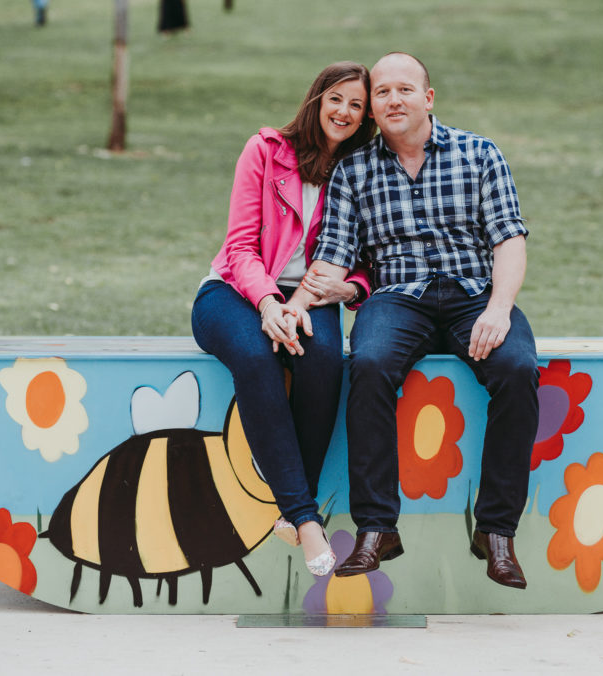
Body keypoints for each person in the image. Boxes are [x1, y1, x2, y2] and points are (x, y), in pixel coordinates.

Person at [286, 52, 539, 590]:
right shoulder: (355, 170)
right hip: (397, 297)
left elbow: (509, 240)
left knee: (518, 369)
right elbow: (332, 254)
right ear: (373, 109)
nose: (393, 99)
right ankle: (378, 528)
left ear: (428, 97)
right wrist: (299, 302)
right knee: (370, 363)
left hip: (474, 291)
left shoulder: (478, 154)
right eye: (381, 93)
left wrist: (498, 308)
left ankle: (496, 532)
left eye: (405, 89)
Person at [190, 62, 375, 577]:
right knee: (256, 355)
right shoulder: (266, 151)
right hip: (234, 290)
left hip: (314, 296)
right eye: (336, 98)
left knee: (323, 361)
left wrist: (350, 288)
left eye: (356, 106)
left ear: (364, 119)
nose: (344, 111)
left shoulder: (361, 170)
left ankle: (296, 511)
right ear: (316, 99)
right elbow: (240, 247)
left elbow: (370, 262)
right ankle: (304, 516)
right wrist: (270, 304)